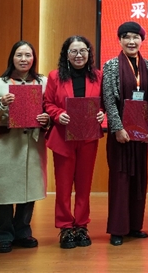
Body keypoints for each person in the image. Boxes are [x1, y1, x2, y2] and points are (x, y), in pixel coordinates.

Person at [0, 41, 50, 253]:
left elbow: (50, 109)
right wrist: (1, 103)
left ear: (34, 58)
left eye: (28, 55)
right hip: (8, 144)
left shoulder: (43, 82)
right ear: (12, 58)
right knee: (4, 191)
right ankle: (4, 235)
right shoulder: (0, 82)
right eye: (19, 55)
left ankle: (23, 232)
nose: (24, 59)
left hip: (32, 143)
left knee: (28, 189)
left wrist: (47, 118)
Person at [44, 36, 105, 249]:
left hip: (88, 137)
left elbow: (103, 104)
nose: (79, 55)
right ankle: (65, 227)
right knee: (63, 186)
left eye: (83, 51)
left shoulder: (98, 76)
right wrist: (57, 114)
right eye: (74, 51)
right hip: (63, 137)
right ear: (66, 54)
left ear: (89, 53)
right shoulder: (55, 76)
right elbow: (47, 103)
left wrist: (102, 114)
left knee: (84, 185)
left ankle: (81, 225)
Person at [102, 22, 148, 246]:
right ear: (120, 40)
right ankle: (117, 229)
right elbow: (108, 99)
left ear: (142, 40)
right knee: (120, 178)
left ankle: (134, 226)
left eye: (135, 37)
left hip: (142, 133)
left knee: (139, 178)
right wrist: (117, 128)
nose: (131, 41)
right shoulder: (111, 65)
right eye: (126, 37)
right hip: (120, 134)